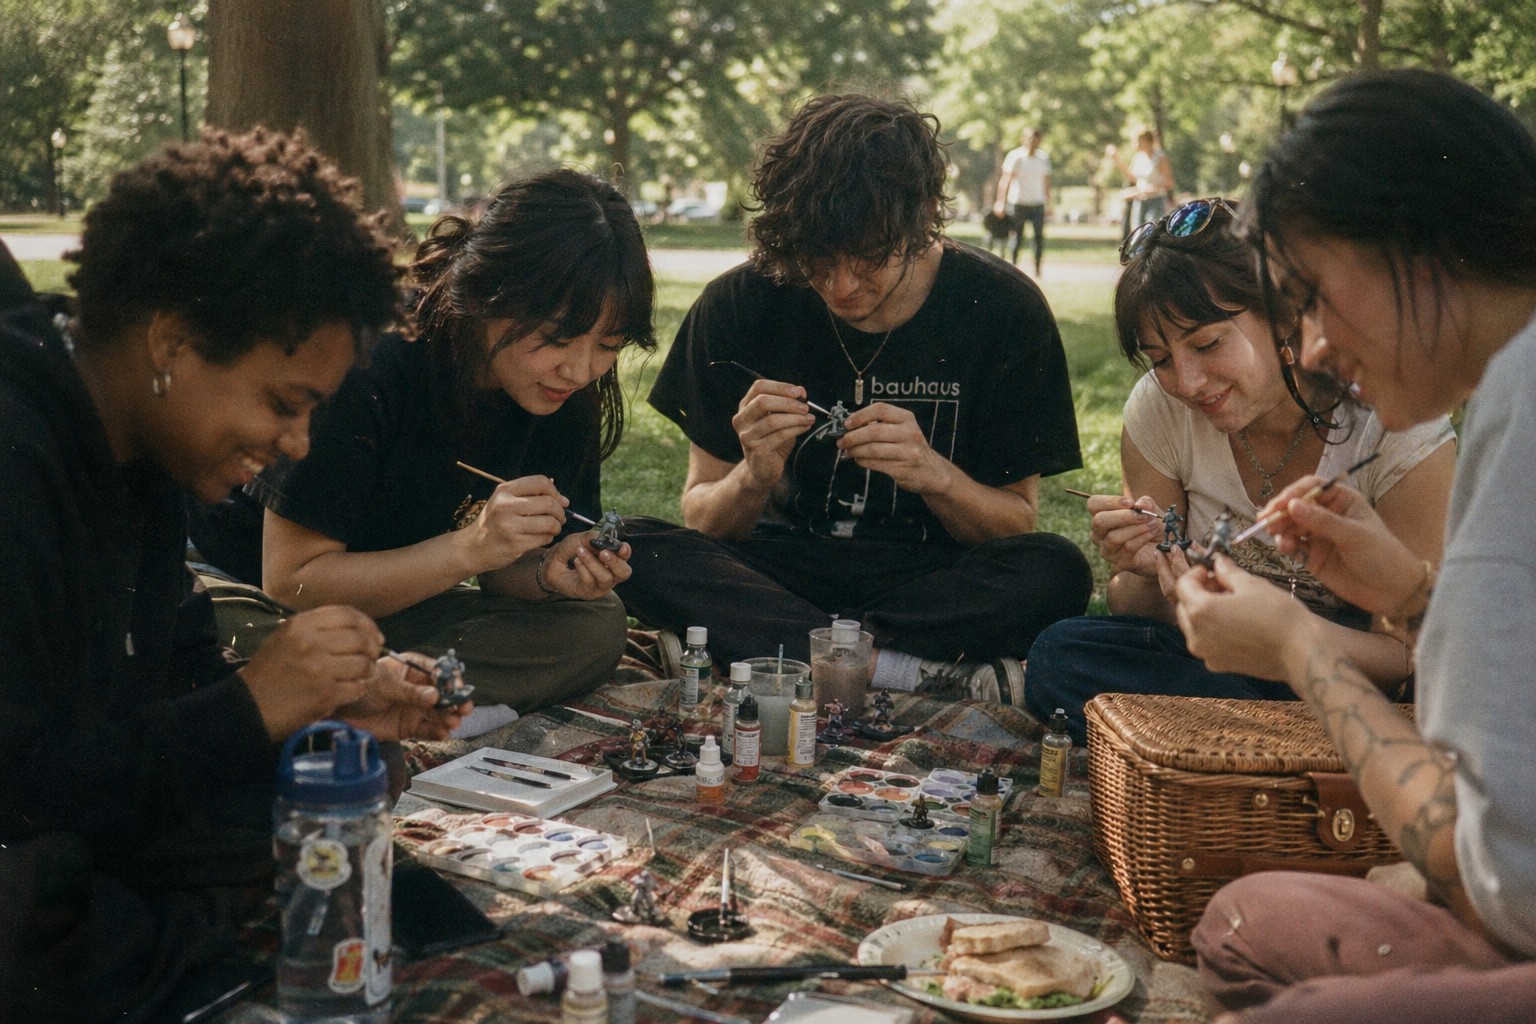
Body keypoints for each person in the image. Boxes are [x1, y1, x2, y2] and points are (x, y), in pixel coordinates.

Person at [0, 129, 466, 1024]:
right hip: (21, 826)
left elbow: (165, 691)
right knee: (35, 885)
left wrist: (315, 710)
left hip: (71, 807)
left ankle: (154, 941)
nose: (296, 445)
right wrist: (250, 707)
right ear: (170, 342)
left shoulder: (143, 446)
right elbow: (19, 782)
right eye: (282, 404)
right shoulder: (17, 452)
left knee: (294, 805)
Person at [1173, 70, 1536, 1023]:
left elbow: (1501, 885)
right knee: (1245, 919)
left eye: (1313, 295)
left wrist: (1302, 647)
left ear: (1414, 240)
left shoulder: (1523, 400)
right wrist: (1413, 595)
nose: (1317, 347)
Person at [619, 93, 1092, 705]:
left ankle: (762, 648)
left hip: (927, 580)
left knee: (1056, 569)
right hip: (781, 567)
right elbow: (704, 520)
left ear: (920, 221)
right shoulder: (738, 306)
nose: (841, 286)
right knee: (635, 545)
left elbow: (1015, 523)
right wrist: (755, 474)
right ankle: (898, 669)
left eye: (869, 258)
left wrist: (934, 475)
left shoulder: (1003, 310)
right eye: (817, 259)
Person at [196, 169, 654, 723]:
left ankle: (374, 696)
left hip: (395, 604)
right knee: (195, 627)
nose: (580, 368)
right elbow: (293, 581)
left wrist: (543, 571)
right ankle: (390, 697)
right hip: (252, 592)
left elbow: (499, 576)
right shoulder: (367, 360)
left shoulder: (563, 391)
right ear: (489, 296)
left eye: (608, 345)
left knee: (596, 623)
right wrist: (470, 548)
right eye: (556, 338)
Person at [1023, 196, 1455, 743]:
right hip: (1220, 667)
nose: (1187, 382)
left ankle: (1211, 745)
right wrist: (1141, 568)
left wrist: (1284, 641)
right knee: (1060, 654)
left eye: (1207, 343)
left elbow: (1413, 654)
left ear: (1283, 315)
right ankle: (1267, 747)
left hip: (1347, 674)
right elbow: (1137, 608)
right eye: (1160, 358)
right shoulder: (1160, 406)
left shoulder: (1394, 422)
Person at [992, 127, 1051, 276]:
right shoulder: (1015, 156)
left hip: (1037, 203)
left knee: (1038, 238)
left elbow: (1046, 182)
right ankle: (1013, 269)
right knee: (1017, 237)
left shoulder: (1043, 158)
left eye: (1036, 139)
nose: (1033, 142)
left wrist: (1049, 203)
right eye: (1030, 139)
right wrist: (1000, 202)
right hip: (1019, 202)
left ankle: (1038, 269)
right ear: (1024, 140)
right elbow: (1005, 180)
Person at [1110, 129, 1177, 233]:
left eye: (1139, 141)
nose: (1136, 144)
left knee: (1152, 235)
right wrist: (1117, 159)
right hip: (1140, 201)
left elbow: (1170, 183)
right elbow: (1132, 178)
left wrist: (1149, 190)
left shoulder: (1160, 157)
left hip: (1156, 201)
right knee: (1138, 235)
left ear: (1148, 141)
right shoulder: (1138, 157)